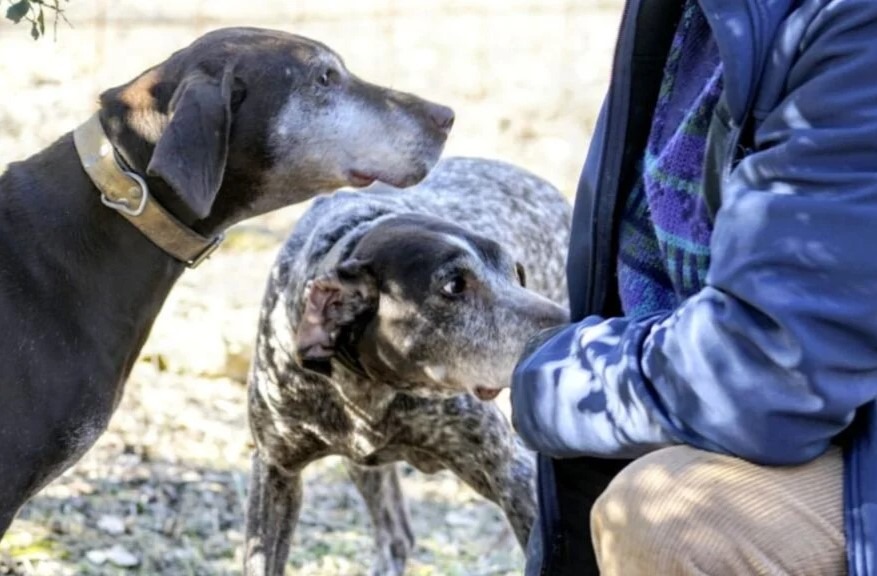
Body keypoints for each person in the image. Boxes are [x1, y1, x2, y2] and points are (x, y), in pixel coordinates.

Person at [510, 0, 877, 575]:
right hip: (831, 404)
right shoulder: (697, 17)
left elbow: (765, 372)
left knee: (669, 521)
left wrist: (548, 378)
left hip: (815, 404)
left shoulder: (855, 28)